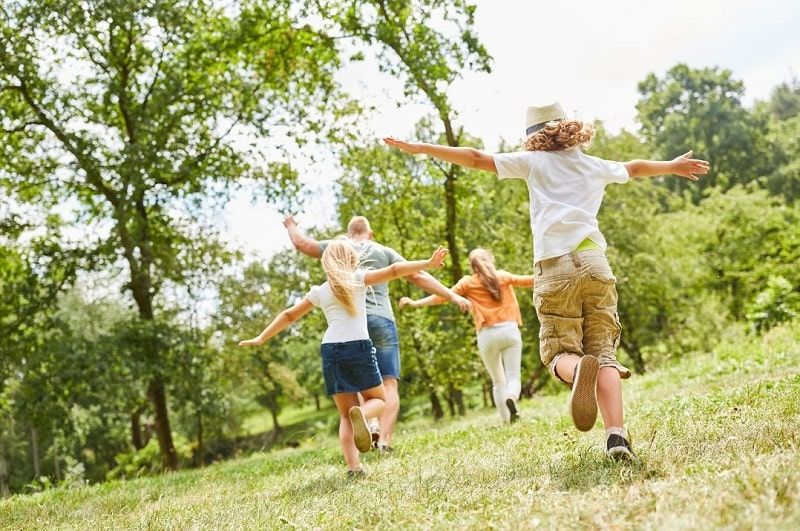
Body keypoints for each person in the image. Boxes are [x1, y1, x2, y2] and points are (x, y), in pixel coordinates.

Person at [384, 102, 710, 460]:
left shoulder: (534, 163)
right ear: (569, 128)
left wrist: (423, 148)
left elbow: (476, 157)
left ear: (534, 137)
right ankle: (616, 437)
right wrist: (673, 166)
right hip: (595, 263)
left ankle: (576, 372)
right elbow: (632, 168)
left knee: (558, 352)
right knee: (604, 354)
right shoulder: (593, 164)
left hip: (555, 267)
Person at [239, 241, 449, 476]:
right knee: (378, 399)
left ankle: (353, 467)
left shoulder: (319, 291)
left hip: (330, 350)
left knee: (344, 415)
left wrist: (261, 337)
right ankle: (364, 414)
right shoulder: (358, 279)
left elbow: (289, 315)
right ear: (351, 260)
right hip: (358, 346)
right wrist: (428, 263)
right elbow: (394, 271)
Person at [283, 214, 470, 451]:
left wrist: (290, 225)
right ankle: (384, 441)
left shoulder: (337, 247)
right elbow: (416, 275)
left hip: (350, 325)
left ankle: (369, 424)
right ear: (370, 234)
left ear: (348, 233)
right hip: (382, 320)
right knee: (388, 384)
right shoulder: (383, 250)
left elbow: (303, 244)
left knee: (361, 383)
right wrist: (452, 295)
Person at [398, 248, 533, 423]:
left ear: (472, 266)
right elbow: (530, 280)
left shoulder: (468, 282)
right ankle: (511, 397)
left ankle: (507, 420)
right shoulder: (503, 277)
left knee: (497, 381)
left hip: (486, 335)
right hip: (509, 330)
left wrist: (415, 303)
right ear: (490, 260)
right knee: (513, 377)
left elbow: (442, 296)